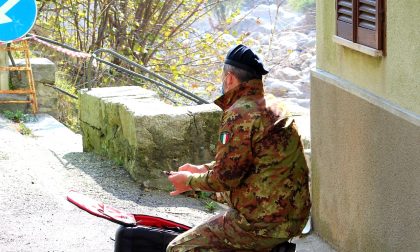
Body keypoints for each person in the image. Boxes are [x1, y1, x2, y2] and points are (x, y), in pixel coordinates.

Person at [167, 44, 311, 252]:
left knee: (179, 248)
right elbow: (245, 161)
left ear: (230, 78)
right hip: (293, 217)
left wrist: (188, 181)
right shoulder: (274, 106)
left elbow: (225, 178)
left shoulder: (240, 113)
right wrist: (203, 169)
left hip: (261, 223)